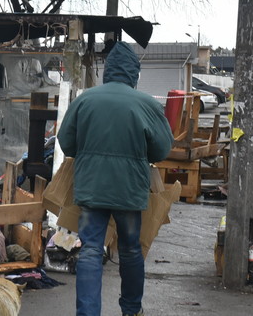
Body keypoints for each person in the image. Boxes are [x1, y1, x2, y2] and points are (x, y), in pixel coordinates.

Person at [56, 40, 173, 316]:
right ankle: (131, 310)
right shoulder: (146, 105)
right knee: (131, 250)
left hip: (91, 189)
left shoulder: (85, 100)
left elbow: (66, 142)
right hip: (129, 191)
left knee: (90, 251)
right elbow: (162, 149)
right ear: (134, 73)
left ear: (108, 71)